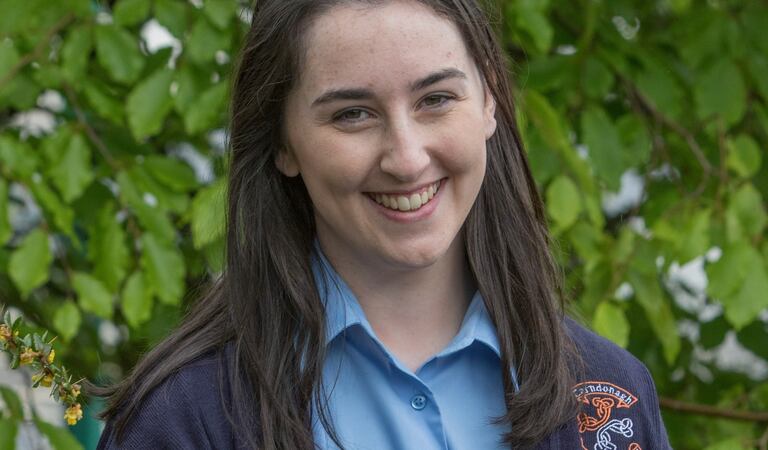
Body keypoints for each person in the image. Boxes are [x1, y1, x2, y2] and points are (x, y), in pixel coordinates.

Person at [93, 1, 672, 449]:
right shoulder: (183, 418)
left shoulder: (609, 394)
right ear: (282, 141)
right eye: (353, 114)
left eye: (436, 99)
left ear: (490, 97)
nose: (407, 157)